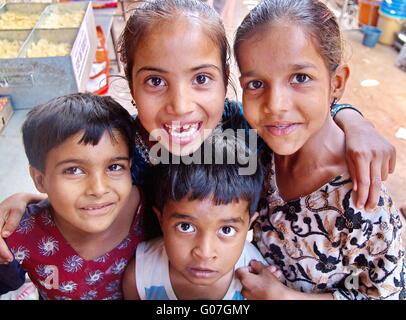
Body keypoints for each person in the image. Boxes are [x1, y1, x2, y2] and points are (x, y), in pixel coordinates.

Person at [0, 0, 396, 262]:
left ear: (227, 80)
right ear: (131, 83)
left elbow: (299, 109)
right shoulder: (122, 142)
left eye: (201, 79)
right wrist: (36, 202)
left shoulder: (244, 125)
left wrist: (353, 120)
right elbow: (86, 177)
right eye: (155, 81)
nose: (181, 105)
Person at [233, 0, 405, 300]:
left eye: (300, 78)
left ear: (336, 83)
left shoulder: (363, 201)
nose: (275, 105)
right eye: (256, 83)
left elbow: (384, 295)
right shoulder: (257, 148)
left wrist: (283, 297)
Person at [0, 93, 144, 300]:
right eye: (74, 170)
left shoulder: (151, 212)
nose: (98, 189)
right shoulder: (17, 233)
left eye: (114, 167)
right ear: (40, 180)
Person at [122, 135, 279, 300]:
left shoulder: (258, 283)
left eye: (226, 230)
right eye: (185, 227)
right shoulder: (140, 275)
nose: (205, 252)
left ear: (249, 225)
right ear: (161, 219)